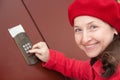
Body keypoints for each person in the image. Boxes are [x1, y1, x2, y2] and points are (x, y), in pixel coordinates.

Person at [29, 0, 120, 79]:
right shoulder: (101, 61)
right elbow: (78, 69)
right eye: (78, 30)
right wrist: (49, 57)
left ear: (114, 28)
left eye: (93, 27)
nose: (84, 39)